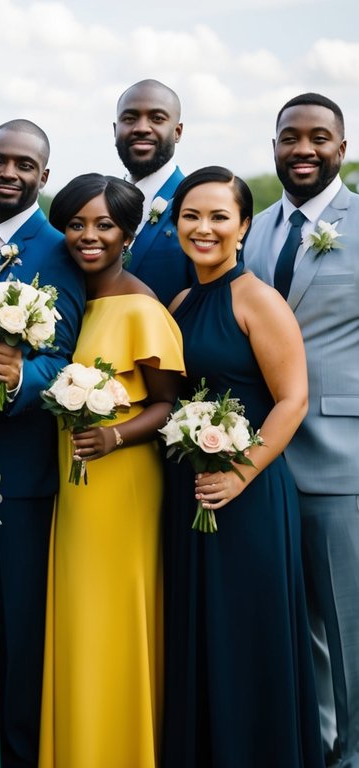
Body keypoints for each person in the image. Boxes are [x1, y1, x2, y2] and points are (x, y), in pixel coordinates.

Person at [162, 166, 322, 767]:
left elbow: (293, 399)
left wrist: (239, 472)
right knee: (200, 637)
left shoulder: (259, 300)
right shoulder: (179, 301)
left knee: (246, 638)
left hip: (247, 495)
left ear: (244, 226)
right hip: (190, 493)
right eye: (191, 216)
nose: (203, 228)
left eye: (218, 216)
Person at [38, 174, 183, 768]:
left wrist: (115, 435)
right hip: (71, 484)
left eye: (104, 225)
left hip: (121, 481)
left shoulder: (141, 308)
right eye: (75, 224)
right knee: (75, 618)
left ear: (128, 232)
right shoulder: (69, 298)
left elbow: (170, 403)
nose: (88, 236)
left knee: (115, 616)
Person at [0, 120, 85, 768]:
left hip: (21, 467)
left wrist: (21, 377)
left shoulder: (62, 251)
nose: (9, 173)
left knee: (16, 628)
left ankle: (18, 754)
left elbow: (72, 356)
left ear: (43, 176)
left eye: (24, 165)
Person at [246, 92, 359, 768]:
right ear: (274, 147)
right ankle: (315, 753)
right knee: (296, 633)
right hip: (262, 459)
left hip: (342, 459)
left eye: (318, 137)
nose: (303, 149)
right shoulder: (250, 229)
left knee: (346, 630)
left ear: (340, 149)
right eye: (290, 137)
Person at [113, 79, 195, 305]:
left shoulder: (195, 202)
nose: (141, 128)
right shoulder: (102, 203)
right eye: (129, 118)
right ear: (115, 129)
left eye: (157, 118)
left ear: (177, 132)